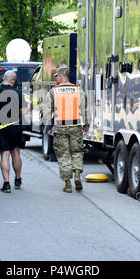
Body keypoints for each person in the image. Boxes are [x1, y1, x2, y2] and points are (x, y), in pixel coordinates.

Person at [41, 64, 89, 193]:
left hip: (60, 127)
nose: (56, 79)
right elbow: (85, 110)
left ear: (62, 76)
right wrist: (86, 125)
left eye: (57, 76)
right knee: (77, 151)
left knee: (63, 155)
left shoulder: (53, 91)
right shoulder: (79, 90)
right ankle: (77, 174)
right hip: (76, 126)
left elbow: (46, 112)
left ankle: (68, 184)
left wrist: (47, 127)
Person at [0, 70, 28, 193]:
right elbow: (24, 112)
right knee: (16, 153)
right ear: (13, 80)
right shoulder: (18, 93)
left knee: (5, 154)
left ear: (3, 79)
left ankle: (6, 183)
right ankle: (18, 180)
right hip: (15, 127)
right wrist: (29, 105)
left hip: (0, 127)